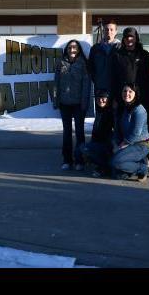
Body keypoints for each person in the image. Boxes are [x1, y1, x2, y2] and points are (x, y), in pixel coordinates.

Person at [53, 39, 91, 171]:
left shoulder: (83, 64)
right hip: (64, 104)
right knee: (67, 133)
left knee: (80, 133)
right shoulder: (60, 63)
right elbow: (56, 82)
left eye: (75, 47)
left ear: (79, 49)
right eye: (69, 48)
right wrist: (56, 100)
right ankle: (67, 160)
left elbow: (86, 85)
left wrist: (84, 103)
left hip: (78, 104)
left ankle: (80, 160)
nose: (72, 50)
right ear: (66, 50)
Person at [111, 83, 149, 182]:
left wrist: (121, 146)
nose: (127, 94)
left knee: (116, 162)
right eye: (124, 91)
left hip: (140, 145)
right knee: (117, 174)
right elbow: (117, 130)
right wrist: (115, 143)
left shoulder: (139, 110)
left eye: (130, 91)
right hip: (126, 144)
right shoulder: (122, 108)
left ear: (135, 94)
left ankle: (143, 168)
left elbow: (136, 133)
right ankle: (135, 164)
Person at [110, 27, 149, 110]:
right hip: (123, 96)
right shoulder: (117, 55)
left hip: (141, 96)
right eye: (126, 37)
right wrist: (114, 97)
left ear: (136, 38)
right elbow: (113, 77)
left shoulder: (144, 54)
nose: (129, 39)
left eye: (131, 37)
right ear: (123, 39)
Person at [82, 89, 114, 178]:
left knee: (86, 148)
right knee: (82, 148)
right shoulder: (99, 112)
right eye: (99, 98)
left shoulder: (111, 113)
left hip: (108, 144)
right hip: (99, 142)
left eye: (104, 98)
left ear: (108, 99)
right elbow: (95, 132)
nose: (101, 100)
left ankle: (104, 167)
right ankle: (100, 164)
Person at [88, 20, 120, 105]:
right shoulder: (95, 49)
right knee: (100, 116)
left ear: (116, 31)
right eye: (106, 29)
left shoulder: (120, 48)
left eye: (111, 29)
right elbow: (91, 68)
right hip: (100, 89)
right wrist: (97, 80)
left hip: (116, 89)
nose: (109, 32)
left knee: (115, 116)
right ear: (103, 31)